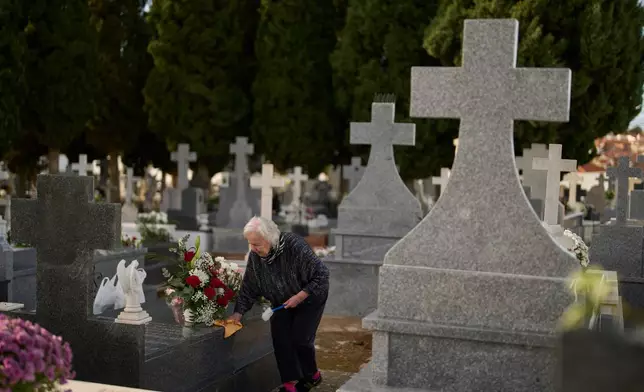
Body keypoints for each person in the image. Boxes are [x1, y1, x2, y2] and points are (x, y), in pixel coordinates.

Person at [227, 216, 329, 392]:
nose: (253, 248)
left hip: (310, 297)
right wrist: (238, 313)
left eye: (257, 244)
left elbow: (322, 274)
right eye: (250, 243)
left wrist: (300, 296)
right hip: (281, 301)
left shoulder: (294, 246)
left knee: (300, 339)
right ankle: (289, 385)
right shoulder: (256, 256)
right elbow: (249, 287)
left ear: (270, 239)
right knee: (281, 339)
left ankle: (312, 375)